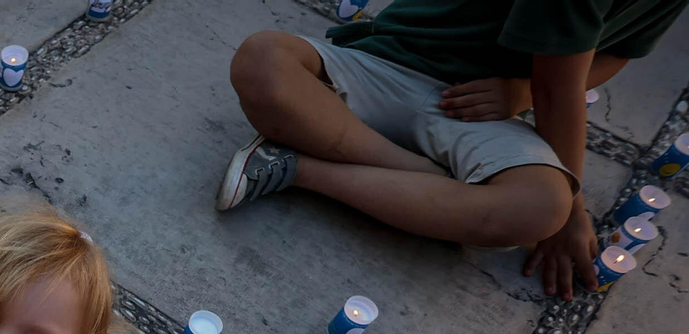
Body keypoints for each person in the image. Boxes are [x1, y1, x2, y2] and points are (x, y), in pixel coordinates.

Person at [217, 0, 687, 299]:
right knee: (264, 59)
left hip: (481, 114)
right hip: (383, 64)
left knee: (540, 206)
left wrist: (515, 95)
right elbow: (556, 88)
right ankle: (422, 180)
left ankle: (295, 167)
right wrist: (577, 208)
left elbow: (618, 52)